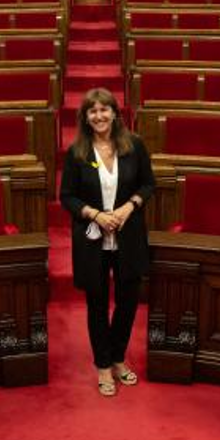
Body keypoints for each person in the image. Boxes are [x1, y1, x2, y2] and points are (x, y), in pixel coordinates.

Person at [60, 87, 155, 397]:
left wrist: (129, 207)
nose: (99, 116)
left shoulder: (134, 145)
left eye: (104, 109)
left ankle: (117, 359)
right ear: (85, 117)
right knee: (97, 305)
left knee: (127, 304)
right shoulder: (77, 153)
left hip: (128, 238)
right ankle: (103, 365)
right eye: (93, 111)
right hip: (92, 240)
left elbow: (148, 183)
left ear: (115, 113)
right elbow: (67, 197)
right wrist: (95, 215)